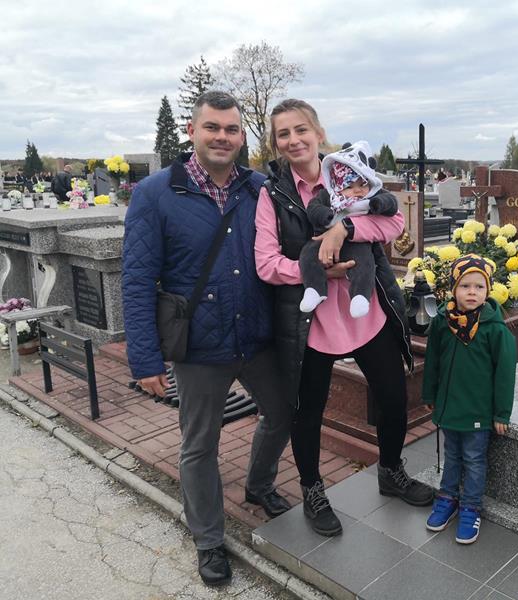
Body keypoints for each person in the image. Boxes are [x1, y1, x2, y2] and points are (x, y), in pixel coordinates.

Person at [122, 91, 294, 587]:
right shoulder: (156, 194)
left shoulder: (259, 187)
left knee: (283, 413)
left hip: (256, 336)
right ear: (192, 131)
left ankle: (259, 484)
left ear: (242, 136)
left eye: (232, 129)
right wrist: (145, 359)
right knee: (200, 444)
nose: (223, 137)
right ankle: (208, 538)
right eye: (212, 127)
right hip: (199, 345)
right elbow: (137, 280)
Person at [255, 98, 433, 537]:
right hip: (311, 318)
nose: (294, 140)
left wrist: (345, 229)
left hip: (365, 308)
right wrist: (316, 269)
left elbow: (392, 223)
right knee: (308, 410)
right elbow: (266, 263)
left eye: (301, 129)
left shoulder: (350, 169)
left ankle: (390, 471)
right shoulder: (272, 193)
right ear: (276, 143)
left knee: (393, 395)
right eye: (283, 134)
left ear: (318, 132)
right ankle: (313, 490)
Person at [422, 254, 516, 544]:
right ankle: (447, 497)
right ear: (454, 289)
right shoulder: (443, 322)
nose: (472, 292)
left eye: (479, 286)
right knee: (452, 454)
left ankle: (471, 507)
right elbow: (433, 361)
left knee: (474, 460)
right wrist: (430, 394)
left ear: (488, 290)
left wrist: (501, 413)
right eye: (465, 286)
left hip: (478, 409)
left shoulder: (495, 329)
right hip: (450, 406)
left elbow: (505, 373)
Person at [299, 141, 398, 318]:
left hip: (357, 243)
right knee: (307, 255)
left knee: (365, 263)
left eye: (362, 184)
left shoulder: (372, 195)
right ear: (337, 186)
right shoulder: (329, 196)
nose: (358, 191)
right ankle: (314, 289)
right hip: (323, 243)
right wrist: (326, 216)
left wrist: (379, 204)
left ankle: (360, 296)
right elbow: (313, 208)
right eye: (349, 187)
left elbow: (392, 204)